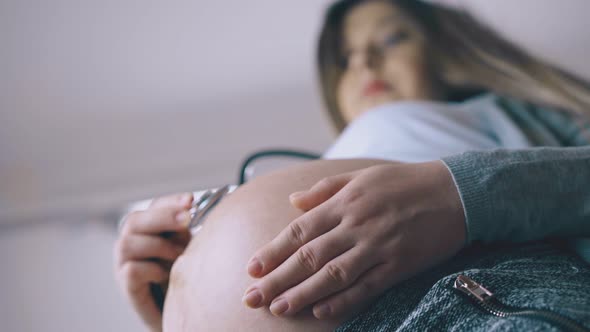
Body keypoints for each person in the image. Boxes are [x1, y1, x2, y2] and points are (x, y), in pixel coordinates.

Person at [114, 0, 590, 331]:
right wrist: (174, 294)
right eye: (345, 57)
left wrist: (459, 195)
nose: (363, 60)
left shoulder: (516, 113)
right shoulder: (331, 160)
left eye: (392, 37)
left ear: (451, 50)